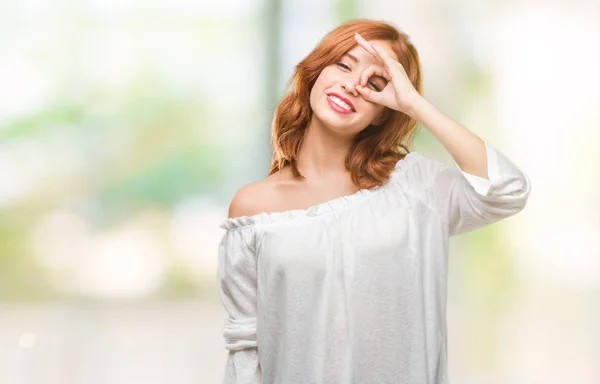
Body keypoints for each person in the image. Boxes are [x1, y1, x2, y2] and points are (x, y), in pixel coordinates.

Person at [216, 18, 531, 384]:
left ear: (385, 108)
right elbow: (245, 346)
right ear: (317, 71)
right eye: (344, 64)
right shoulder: (253, 207)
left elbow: (507, 189)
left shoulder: (416, 187)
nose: (352, 85)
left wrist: (413, 103)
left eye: (376, 83)